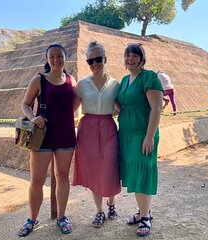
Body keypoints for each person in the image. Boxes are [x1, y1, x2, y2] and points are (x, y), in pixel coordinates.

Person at [18, 43, 76, 236]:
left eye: (59, 56)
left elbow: (73, 106)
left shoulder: (70, 80)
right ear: (47, 58)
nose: (56, 60)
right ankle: (32, 219)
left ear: (65, 58)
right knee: (37, 180)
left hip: (66, 134)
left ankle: (61, 216)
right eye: (52, 56)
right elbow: (26, 105)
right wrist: (33, 117)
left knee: (62, 177)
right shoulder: (39, 80)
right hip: (42, 136)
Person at [72, 41, 121, 228]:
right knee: (94, 171)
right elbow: (70, 110)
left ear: (105, 59)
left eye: (98, 59)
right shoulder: (82, 85)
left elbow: (121, 107)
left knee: (109, 169)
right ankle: (99, 211)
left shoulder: (115, 84)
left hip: (108, 128)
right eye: (90, 60)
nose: (94, 64)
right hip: (88, 130)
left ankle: (112, 204)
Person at [117, 43, 163, 237]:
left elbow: (156, 109)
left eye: (135, 55)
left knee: (143, 173)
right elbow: (121, 104)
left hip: (143, 135)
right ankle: (143, 211)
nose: (130, 59)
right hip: (126, 135)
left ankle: (146, 217)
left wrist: (149, 136)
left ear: (142, 59)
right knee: (135, 174)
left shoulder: (149, 77)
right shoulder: (125, 79)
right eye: (127, 55)